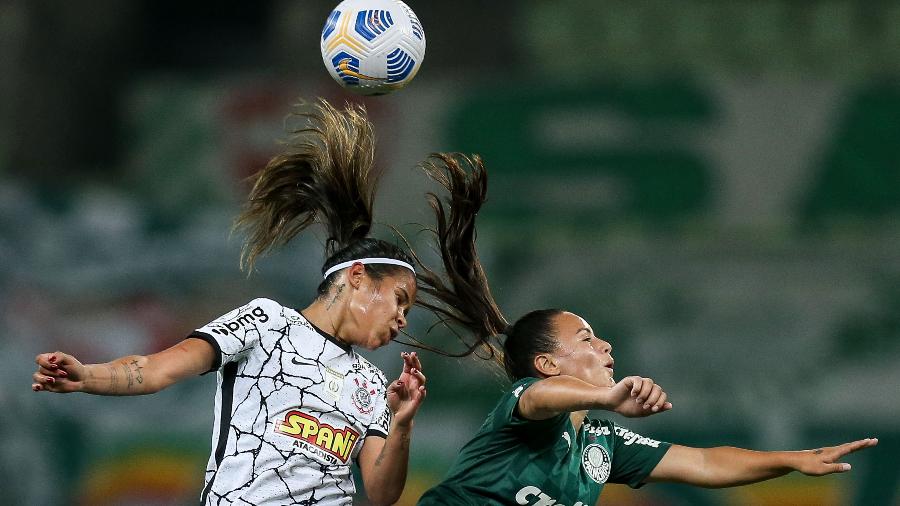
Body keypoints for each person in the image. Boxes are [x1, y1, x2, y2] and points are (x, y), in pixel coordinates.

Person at [32, 99, 441, 506]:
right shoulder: (266, 321)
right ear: (357, 277)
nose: (402, 318)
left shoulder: (370, 383)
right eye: (399, 299)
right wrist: (88, 376)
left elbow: (383, 493)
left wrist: (402, 424)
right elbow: (158, 369)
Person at [411, 153, 879, 506]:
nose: (606, 344)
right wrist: (606, 398)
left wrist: (791, 460)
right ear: (547, 363)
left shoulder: (601, 444)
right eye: (587, 338)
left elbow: (703, 462)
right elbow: (538, 397)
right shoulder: (524, 406)